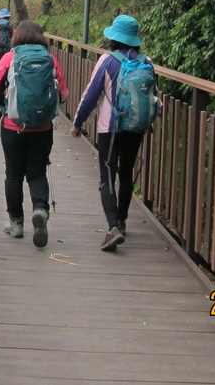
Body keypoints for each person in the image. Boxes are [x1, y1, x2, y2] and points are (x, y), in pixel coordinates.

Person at [70, 14, 157, 252]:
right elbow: (153, 97)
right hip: (136, 128)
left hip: (110, 128)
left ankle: (112, 228)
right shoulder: (146, 62)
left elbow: (91, 95)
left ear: (114, 39)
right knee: (126, 172)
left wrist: (78, 123)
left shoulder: (107, 61)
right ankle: (121, 220)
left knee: (107, 175)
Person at [0, 20, 68, 248]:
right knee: (37, 172)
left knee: (13, 174)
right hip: (43, 128)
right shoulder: (50, 59)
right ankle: (41, 210)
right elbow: (63, 94)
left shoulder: (10, 58)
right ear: (41, 37)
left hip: (13, 127)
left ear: (16, 37)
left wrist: (6, 108)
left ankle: (16, 223)